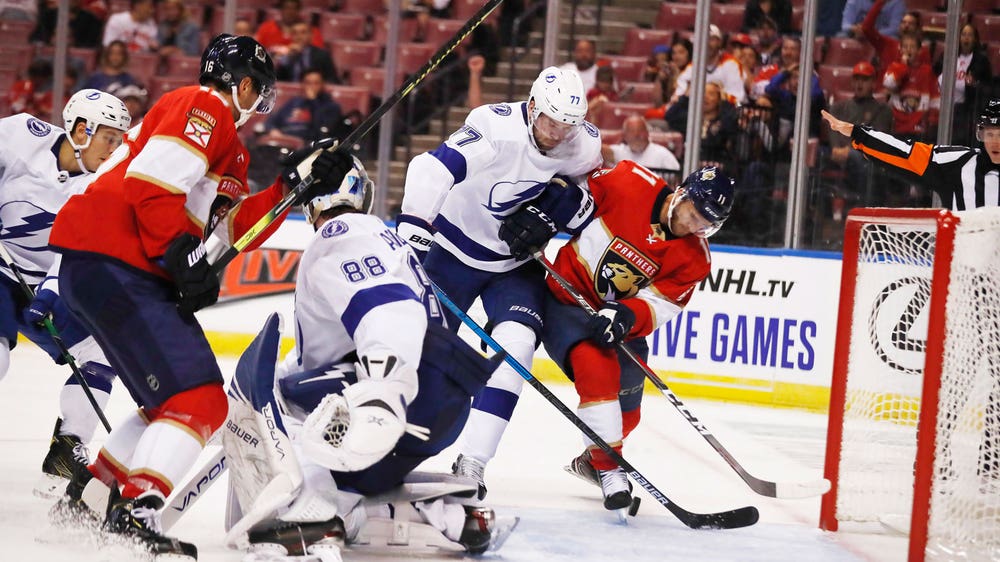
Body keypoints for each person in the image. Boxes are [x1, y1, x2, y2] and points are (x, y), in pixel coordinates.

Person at [47, 34, 343, 559]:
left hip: (103, 266)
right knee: (201, 400)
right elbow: (150, 184)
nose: (262, 101)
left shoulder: (229, 145)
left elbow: (226, 232)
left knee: (168, 403)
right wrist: (176, 256)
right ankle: (137, 510)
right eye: (261, 90)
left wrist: (290, 190)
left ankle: (90, 499)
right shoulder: (204, 105)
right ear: (244, 84)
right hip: (119, 261)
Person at [220, 153, 512, 558]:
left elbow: (388, 308)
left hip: (407, 390)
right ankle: (444, 518)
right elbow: (330, 351)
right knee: (302, 406)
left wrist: (384, 390)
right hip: (435, 399)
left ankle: (312, 517)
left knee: (278, 408)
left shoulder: (343, 231)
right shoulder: (375, 233)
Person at [397, 66, 602, 498]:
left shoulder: (582, 142)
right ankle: (382, 445)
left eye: (567, 126)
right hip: (451, 254)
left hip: (513, 264)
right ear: (531, 108)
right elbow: (430, 168)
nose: (557, 133)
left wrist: (553, 207)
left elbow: (589, 193)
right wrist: (414, 228)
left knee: (518, 346)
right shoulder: (494, 127)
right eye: (550, 121)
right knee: (409, 348)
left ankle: (473, 462)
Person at [529, 163, 734, 510]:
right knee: (598, 374)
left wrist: (627, 314)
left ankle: (592, 461)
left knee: (628, 412)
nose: (696, 226)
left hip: (619, 322)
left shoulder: (696, 259)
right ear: (682, 194)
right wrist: (541, 217)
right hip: (568, 299)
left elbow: (661, 303)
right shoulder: (629, 181)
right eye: (695, 214)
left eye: (707, 223)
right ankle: (611, 472)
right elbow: (575, 193)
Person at [823, 100, 1000, 485]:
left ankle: (992, 459)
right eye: (989, 133)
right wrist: (856, 133)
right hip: (965, 287)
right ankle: (933, 450)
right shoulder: (960, 165)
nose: (995, 141)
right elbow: (906, 153)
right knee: (957, 371)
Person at [0, 89, 130, 498]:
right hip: (1, 270)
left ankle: (67, 447)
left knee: (102, 353)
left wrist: (49, 296)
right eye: (108, 137)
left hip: (51, 282)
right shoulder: (23, 134)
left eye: (120, 140)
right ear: (79, 129)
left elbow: (76, 252)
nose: (115, 149)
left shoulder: (105, 185)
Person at [824, 61, 894, 214]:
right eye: (856, 79)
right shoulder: (839, 107)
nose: (859, 83)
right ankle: (817, 215)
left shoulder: (882, 110)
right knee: (815, 155)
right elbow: (833, 131)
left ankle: (863, 212)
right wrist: (836, 147)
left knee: (862, 160)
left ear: (873, 83)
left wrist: (848, 150)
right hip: (839, 155)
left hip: (864, 157)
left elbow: (876, 137)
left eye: (864, 79)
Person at [934, 23, 993, 147]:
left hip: (965, 110)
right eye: (963, 34)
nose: (966, 38)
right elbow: (934, 72)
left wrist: (974, 83)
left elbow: (987, 84)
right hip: (941, 104)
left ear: (975, 39)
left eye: (969, 35)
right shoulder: (948, 55)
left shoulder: (980, 60)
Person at [260, 68, 343, 145]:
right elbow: (272, 120)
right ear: (303, 84)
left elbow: (321, 131)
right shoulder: (295, 102)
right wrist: (273, 130)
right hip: (283, 139)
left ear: (323, 84)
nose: (311, 87)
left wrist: (313, 101)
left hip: (307, 144)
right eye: (308, 83)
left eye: (316, 83)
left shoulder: (331, 107)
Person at [602, 115, 680, 178]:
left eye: (640, 130)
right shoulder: (620, 152)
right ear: (624, 136)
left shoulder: (663, 154)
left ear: (647, 133)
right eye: (631, 131)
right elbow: (598, 149)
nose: (636, 135)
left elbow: (677, 181)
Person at [274, 21, 339, 84]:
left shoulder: (322, 55)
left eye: (303, 32)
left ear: (311, 35)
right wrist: (286, 58)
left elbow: (332, 80)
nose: (299, 36)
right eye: (295, 33)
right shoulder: (286, 54)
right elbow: (276, 80)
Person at [255, 0, 324, 58]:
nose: (290, 12)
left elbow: (317, 55)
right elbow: (256, 52)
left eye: (294, 8)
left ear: (299, 10)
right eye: (287, 8)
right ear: (281, 10)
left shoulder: (310, 31)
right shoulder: (266, 28)